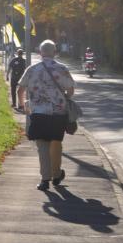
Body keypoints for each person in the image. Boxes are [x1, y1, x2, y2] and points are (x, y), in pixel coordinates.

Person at [18, 40, 76, 190]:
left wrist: (21, 104)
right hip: (58, 113)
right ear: (55, 52)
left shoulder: (32, 69)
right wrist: (64, 98)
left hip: (38, 113)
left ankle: (44, 180)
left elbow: (20, 89)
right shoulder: (62, 68)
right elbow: (70, 90)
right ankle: (56, 175)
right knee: (56, 144)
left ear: (40, 52)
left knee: (42, 146)